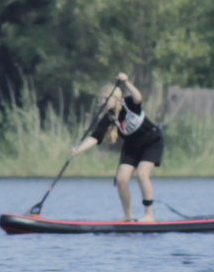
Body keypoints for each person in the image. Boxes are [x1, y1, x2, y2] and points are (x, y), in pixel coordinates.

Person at [71, 74, 167, 221]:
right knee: (121, 179)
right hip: (132, 146)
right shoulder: (109, 117)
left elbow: (138, 97)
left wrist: (126, 82)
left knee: (142, 174)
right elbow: (96, 137)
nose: (102, 102)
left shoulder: (128, 103)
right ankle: (128, 216)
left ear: (114, 98)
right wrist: (78, 149)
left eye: (105, 98)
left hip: (151, 141)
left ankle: (149, 215)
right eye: (101, 99)